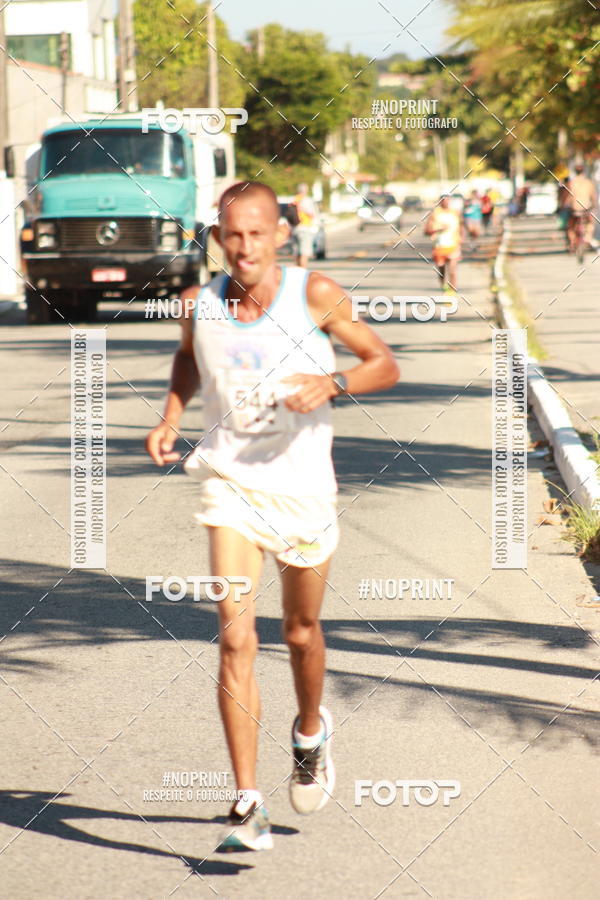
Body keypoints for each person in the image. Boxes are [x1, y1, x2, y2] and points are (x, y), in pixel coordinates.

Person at [145, 181, 399, 852]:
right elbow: (186, 361)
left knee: (299, 629)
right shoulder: (199, 305)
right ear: (218, 239)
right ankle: (246, 802)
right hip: (230, 483)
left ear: (279, 235)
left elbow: (383, 362)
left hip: (305, 491)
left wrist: (333, 382)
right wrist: (172, 417)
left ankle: (310, 732)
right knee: (235, 637)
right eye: (233, 235)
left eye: (257, 233)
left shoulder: (313, 294)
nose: (245, 246)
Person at [424, 194, 464, 294]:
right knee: (441, 271)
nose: (446, 202)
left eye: (448, 200)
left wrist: (462, 237)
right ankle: (444, 287)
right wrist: (438, 229)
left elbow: (461, 226)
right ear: (439, 202)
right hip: (439, 247)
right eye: (443, 200)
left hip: (453, 245)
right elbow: (426, 231)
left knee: (452, 270)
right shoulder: (434, 214)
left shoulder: (455, 213)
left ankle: (453, 292)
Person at [565, 163, 599, 251]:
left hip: (574, 209)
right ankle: (588, 238)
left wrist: (565, 205)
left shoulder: (571, 183)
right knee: (591, 224)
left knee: (570, 226)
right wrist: (594, 205)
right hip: (586, 209)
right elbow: (593, 197)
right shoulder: (589, 183)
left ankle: (572, 242)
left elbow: (568, 197)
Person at [292, 183, 317, 267]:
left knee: (297, 253)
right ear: (306, 190)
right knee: (304, 253)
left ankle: (298, 270)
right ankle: (302, 273)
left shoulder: (294, 200)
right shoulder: (306, 200)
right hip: (304, 227)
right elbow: (311, 214)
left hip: (295, 228)